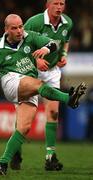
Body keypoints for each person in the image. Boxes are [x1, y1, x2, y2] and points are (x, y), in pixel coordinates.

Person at [0, 14, 86, 176]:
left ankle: (2, 163)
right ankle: (69, 99)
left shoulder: (30, 36)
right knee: (39, 85)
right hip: (11, 82)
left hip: (28, 84)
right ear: (6, 30)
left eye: (21, 26)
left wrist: (46, 49)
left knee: (24, 127)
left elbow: (53, 44)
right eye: (15, 28)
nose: (20, 30)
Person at [10, 0, 74, 171]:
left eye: (62, 3)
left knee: (53, 112)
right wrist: (36, 60)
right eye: (55, 3)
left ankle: (50, 158)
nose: (59, 7)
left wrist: (63, 55)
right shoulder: (34, 22)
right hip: (30, 71)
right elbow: (20, 47)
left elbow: (65, 41)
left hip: (52, 72)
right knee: (25, 120)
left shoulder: (68, 22)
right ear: (48, 4)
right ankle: (16, 150)